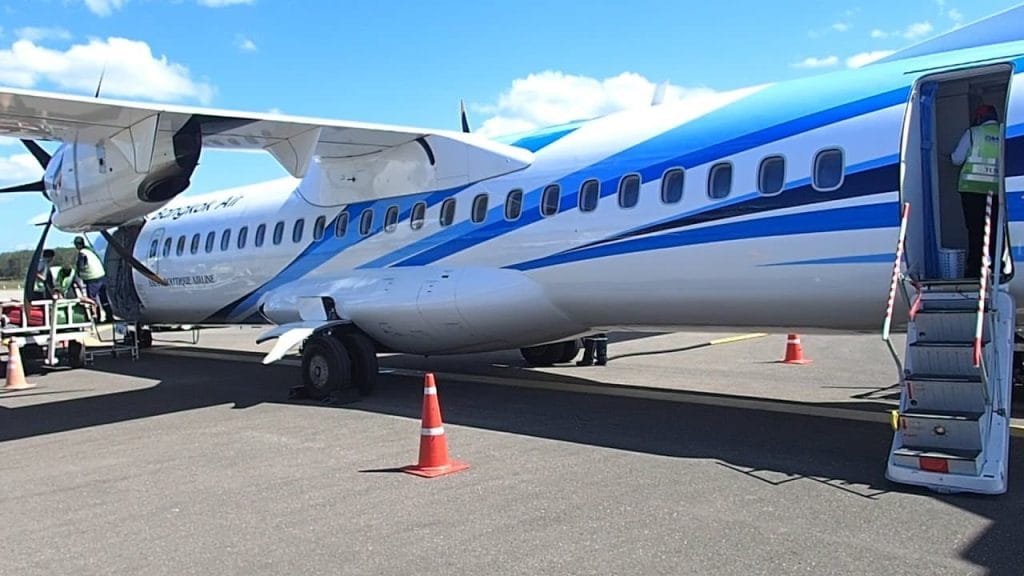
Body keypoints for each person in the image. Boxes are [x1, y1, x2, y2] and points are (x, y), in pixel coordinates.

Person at [951, 103, 1003, 278]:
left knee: (975, 230)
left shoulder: (973, 133)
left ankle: (975, 268)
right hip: (997, 191)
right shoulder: (1004, 133)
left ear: (979, 118)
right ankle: (997, 267)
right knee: (996, 229)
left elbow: (957, 159)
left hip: (972, 190)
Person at [73, 236, 113, 322]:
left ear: (77, 245)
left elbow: (81, 266)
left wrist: (79, 274)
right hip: (102, 276)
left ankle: (96, 318)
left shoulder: (82, 253)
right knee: (104, 298)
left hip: (92, 278)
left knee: (92, 300)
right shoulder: (90, 250)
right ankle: (109, 316)